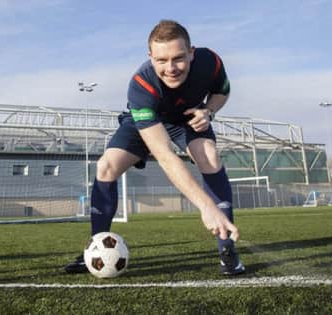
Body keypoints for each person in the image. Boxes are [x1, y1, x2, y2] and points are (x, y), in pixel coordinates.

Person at [64, 20, 245, 276]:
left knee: (210, 157)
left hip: (187, 118)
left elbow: (222, 91)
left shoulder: (210, 62)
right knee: (106, 166)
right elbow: (164, 155)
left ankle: (228, 251)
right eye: (161, 60)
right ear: (151, 57)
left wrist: (209, 111)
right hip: (145, 122)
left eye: (179, 58)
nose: (171, 68)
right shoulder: (141, 86)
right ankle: (96, 250)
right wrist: (206, 206)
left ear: (192, 52)